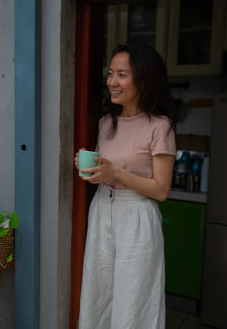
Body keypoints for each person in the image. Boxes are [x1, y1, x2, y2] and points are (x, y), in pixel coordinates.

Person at [75, 43, 176, 329]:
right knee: (98, 292)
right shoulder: (107, 123)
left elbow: (161, 190)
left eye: (122, 75)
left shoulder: (160, 126)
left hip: (137, 217)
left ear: (143, 81)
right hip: (102, 210)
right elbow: (107, 172)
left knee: (134, 299)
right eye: (110, 74)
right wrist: (95, 172)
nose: (112, 82)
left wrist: (116, 172)